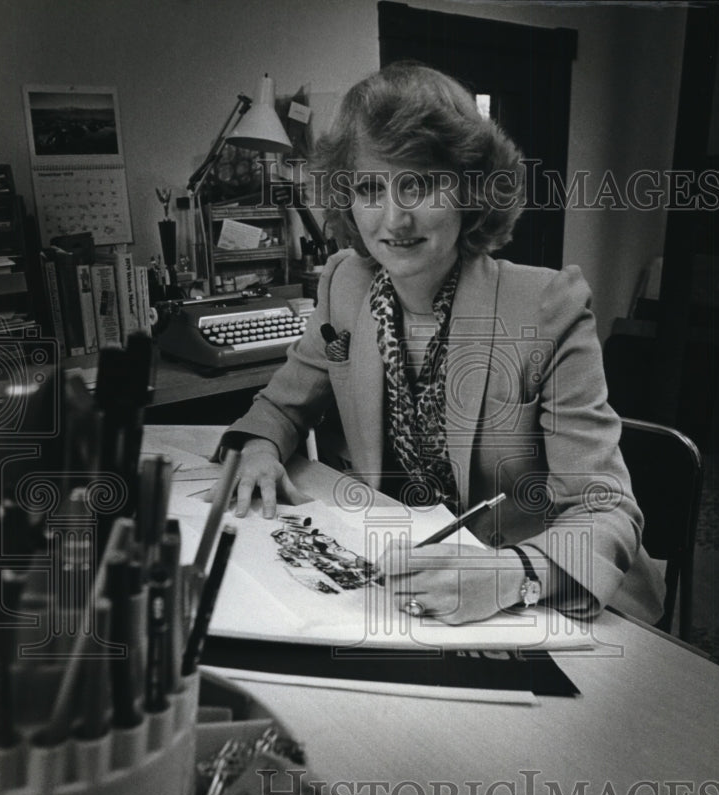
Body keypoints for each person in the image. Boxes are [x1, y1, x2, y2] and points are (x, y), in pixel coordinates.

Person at [217, 61, 665, 627]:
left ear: (470, 191)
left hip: (540, 596)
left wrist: (512, 575)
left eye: (420, 183)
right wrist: (259, 448)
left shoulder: (548, 305)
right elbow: (280, 405)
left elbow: (608, 508)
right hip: (405, 584)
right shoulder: (343, 284)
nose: (394, 217)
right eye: (370, 187)